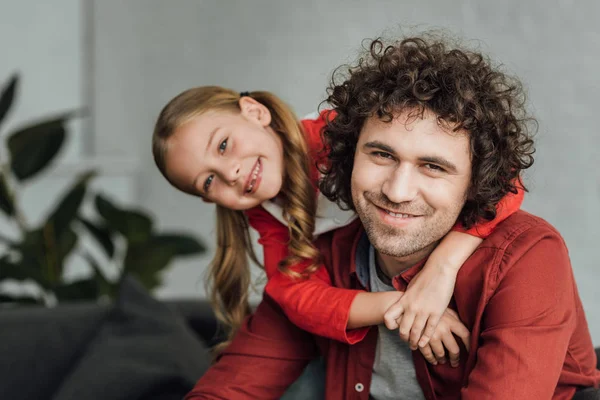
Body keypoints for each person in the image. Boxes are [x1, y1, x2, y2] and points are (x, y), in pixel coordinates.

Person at [185, 33, 600, 399]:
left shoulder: (526, 257)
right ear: (347, 158)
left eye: (433, 167)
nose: (397, 191)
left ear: (477, 181)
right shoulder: (317, 257)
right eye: (381, 155)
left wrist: (442, 268)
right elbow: (231, 385)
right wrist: (398, 305)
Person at [151, 87, 522, 353]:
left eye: (223, 145)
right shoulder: (266, 216)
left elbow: (505, 178)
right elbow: (299, 297)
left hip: (471, 280)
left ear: (255, 112)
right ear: (207, 198)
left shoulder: (337, 134)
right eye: (210, 180)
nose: (230, 172)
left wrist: (441, 269)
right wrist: (403, 305)